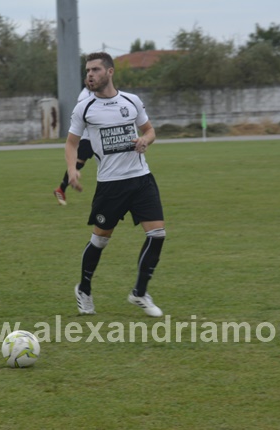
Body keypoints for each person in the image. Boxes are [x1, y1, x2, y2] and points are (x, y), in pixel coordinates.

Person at [65, 52, 166, 317]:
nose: (90, 74)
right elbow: (72, 143)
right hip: (110, 185)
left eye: (96, 70)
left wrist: (145, 141)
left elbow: (149, 130)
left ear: (109, 72)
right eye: (88, 70)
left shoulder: (132, 101)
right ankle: (84, 289)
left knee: (157, 235)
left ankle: (139, 293)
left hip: (141, 179)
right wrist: (72, 171)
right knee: (100, 240)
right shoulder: (84, 108)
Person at [54, 84, 95, 205]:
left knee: (80, 163)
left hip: (94, 136)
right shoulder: (85, 95)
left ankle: (61, 188)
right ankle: (62, 188)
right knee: (78, 163)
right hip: (88, 137)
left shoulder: (96, 93)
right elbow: (84, 117)